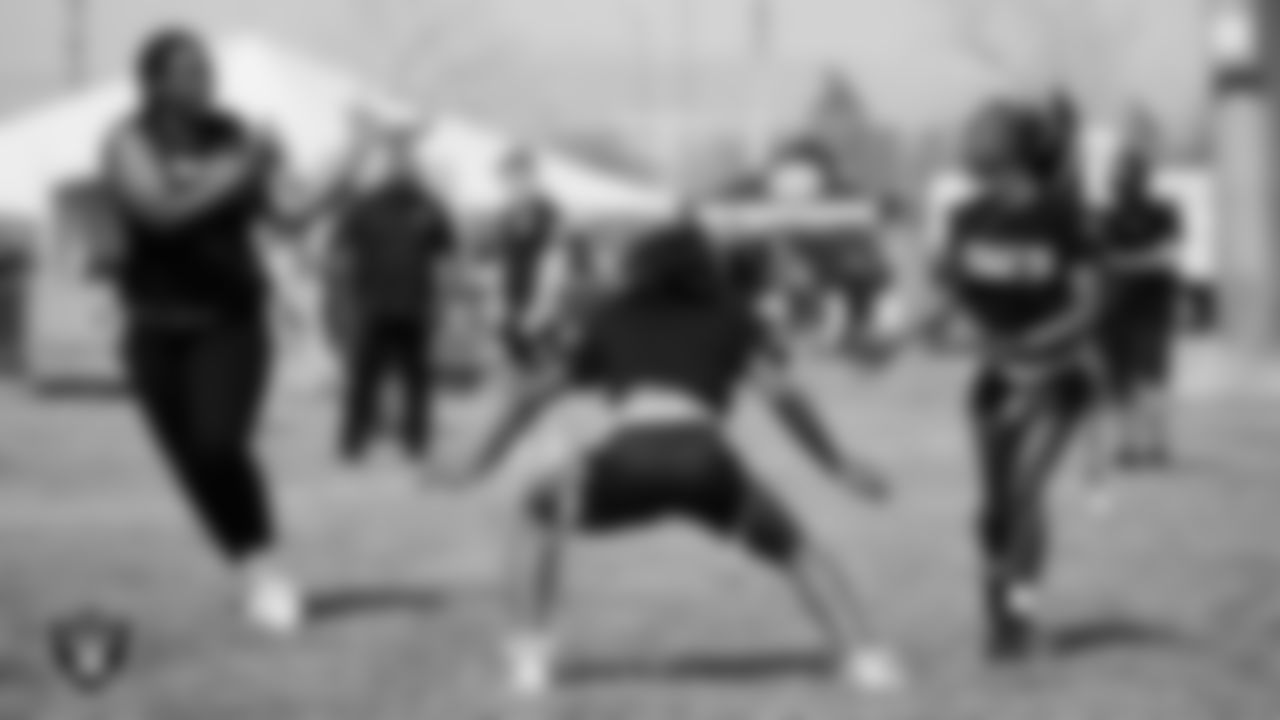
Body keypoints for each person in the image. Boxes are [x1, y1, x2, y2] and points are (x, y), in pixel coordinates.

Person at [465, 215, 904, 699]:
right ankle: (868, 661)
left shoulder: (611, 314)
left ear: (642, 265)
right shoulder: (731, 314)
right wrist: (838, 464)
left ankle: (530, 663)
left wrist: (480, 461)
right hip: (706, 461)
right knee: (797, 549)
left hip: (628, 457)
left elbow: (536, 392)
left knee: (536, 513)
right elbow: (782, 394)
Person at [98, 27, 365, 634]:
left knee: (220, 444)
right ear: (157, 82)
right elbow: (161, 213)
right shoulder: (129, 141)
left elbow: (292, 214)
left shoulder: (233, 133)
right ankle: (248, 565)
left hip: (230, 324)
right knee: (191, 463)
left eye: (207, 68)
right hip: (154, 329)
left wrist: (352, 153)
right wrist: (246, 166)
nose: (205, 78)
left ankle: (269, 569)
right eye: (189, 70)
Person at [938, 103, 1102, 660]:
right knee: (993, 508)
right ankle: (998, 623)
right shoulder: (966, 216)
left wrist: (1031, 345)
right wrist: (893, 340)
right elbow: (950, 295)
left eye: (976, 130)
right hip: (995, 378)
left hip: (1057, 376)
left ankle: (1022, 612)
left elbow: (1089, 305)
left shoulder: (1061, 214)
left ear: (1009, 147)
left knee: (1024, 491)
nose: (964, 139)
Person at [332, 126, 455, 463]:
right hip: (372, 306)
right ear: (386, 163)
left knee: (418, 379)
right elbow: (342, 255)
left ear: (415, 162)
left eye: (408, 158)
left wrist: (441, 307)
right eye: (396, 158)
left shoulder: (430, 207)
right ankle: (353, 443)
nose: (402, 164)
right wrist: (344, 307)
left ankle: (416, 442)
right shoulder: (364, 205)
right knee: (363, 379)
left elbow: (445, 257)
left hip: (416, 307)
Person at [1094, 133, 1181, 469]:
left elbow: (1165, 257)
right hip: (1119, 310)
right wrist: (1140, 261)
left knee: (1147, 379)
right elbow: (1103, 261)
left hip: (1147, 310)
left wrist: (1122, 262)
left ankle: (1151, 445)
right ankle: (1132, 445)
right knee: (1126, 380)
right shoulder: (1107, 214)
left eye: (1125, 171)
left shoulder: (1160, 211)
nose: (1121, 177)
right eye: (1119, 171)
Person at [495, 150, 559, 370]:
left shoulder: (545, 211)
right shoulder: (507, 214)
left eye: (516, 176)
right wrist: (501, 301)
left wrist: (541, 305)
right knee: (516, 357)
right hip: (513, 301)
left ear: (530, 176)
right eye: (507, 178)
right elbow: (505, 261)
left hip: (537, 301)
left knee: (539, 364)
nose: (511, 184)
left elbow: (552, 259)